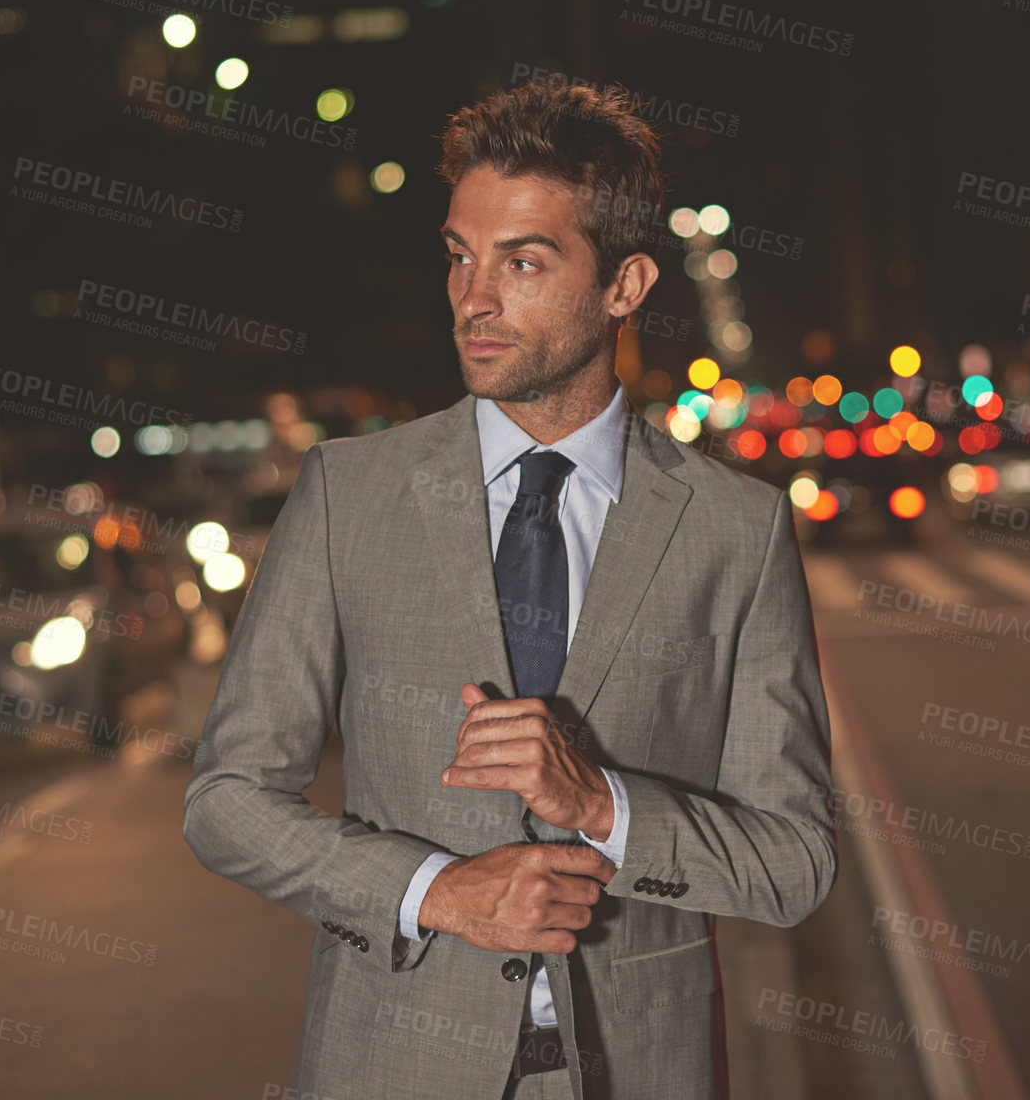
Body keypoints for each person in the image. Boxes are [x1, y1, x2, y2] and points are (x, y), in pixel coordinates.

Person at [183, 81, 837, 1100]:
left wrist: (602, 804)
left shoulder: (733, 531)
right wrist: (434, 890)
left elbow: (793, 862)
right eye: (458, 256)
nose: (471, 299)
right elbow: (226, 802)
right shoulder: (348, 495)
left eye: (522, 262)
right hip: (391, 1067)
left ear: (623, 285)